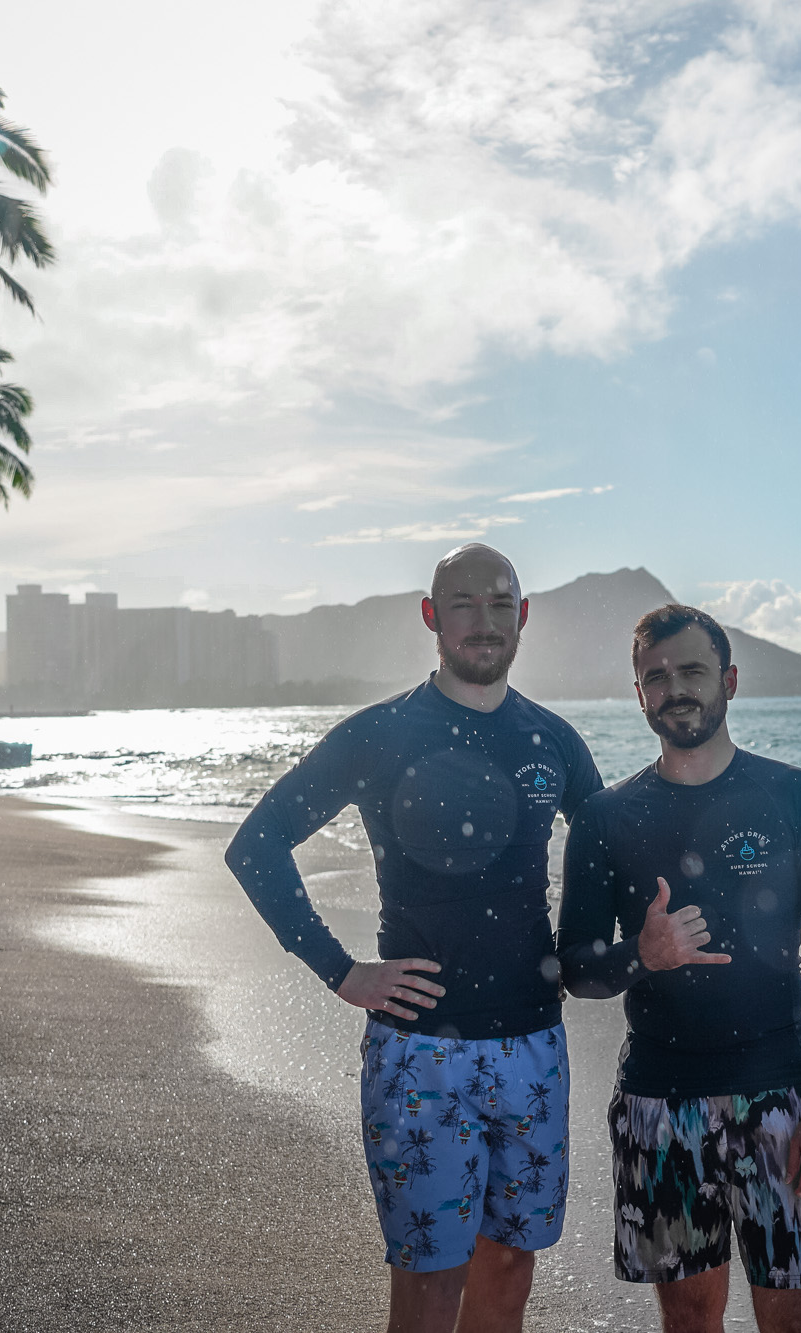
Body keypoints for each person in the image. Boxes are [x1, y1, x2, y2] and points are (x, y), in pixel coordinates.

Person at [225, 544, 601, 1333]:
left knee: (508, 1270)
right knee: (429, 1287)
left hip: (535, 1046)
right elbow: (257, 843)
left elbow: (613, 856)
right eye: (463, 604)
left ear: (524, 617)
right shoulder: (381, 734)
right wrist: (341, 970)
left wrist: (600, 947)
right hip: (418, 1053)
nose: (484, 621)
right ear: (431, 617)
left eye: (502, 604)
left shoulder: (555, 743)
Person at [557, 605, 801, 1333]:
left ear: (728, 680)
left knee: (797, 1315)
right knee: (690, 1319)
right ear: (639, 695)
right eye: (656, 676)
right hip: (657, 1108)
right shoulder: (605, 818)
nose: (675, 688)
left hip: (782, 1102)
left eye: (692, 670)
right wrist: (644, 954)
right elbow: (575, 966)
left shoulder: (799, 797)